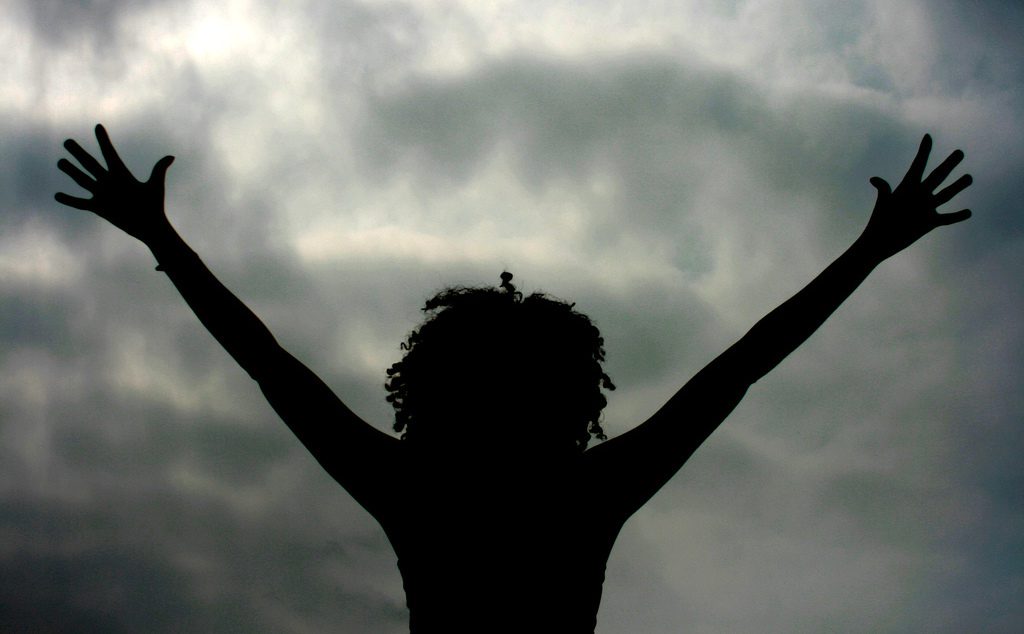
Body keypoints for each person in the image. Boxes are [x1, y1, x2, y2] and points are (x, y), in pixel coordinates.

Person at [56, 125, 972, 633]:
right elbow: (742, 367)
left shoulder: (414, 486)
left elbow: (267, 364)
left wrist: (163, 239)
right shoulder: (587, 490)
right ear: (575, 398)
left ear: (430, 390)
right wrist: (867, 254)